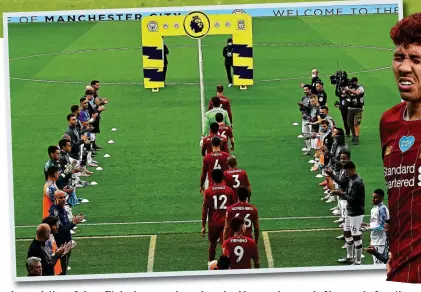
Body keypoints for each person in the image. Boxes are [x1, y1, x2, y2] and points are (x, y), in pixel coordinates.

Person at [379, 12, 421, 283]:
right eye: (399, 57)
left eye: (416, 59)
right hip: (400, 273)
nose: (404, 68)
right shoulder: (389, 122)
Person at [332, 161, 365, 265]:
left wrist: (340, 193)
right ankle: (349, 257)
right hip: (349, 211)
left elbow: (353, 199)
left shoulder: (357, 182)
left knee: (356, 235)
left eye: (347, 172)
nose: (346, 174)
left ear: (353, 170)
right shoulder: (351, 180)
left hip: (356, 212)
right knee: (346, 232)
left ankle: (358, 261)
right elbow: (350, 194)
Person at [201, 169, 237, 263]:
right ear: (222, 178)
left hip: (213, 222)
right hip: (226, 223)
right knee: (225, 245)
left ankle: (210, 264)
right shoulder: (229, 191)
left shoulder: (208, 191)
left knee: (212, 244)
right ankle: (226, 265)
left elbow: (205, 209)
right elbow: (233, 208)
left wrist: (203, 226)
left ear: (212, 178)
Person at [49, 191, 85, 274]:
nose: (63, 199)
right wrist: (73, 223)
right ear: (55, 199)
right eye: (60, 198)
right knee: (62, 270)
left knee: (64, 269)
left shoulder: (62, 208)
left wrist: (73, 221)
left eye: (64, 197)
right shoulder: (55, 212)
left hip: (66, 242)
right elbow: (61, 231)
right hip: (61, 244)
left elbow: (66, 226)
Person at [361, 189, 390, 265]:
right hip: (375, 240)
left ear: (381, 198)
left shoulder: (382, 209)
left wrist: (367, 228)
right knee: (376, 263)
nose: (373, 199)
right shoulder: (374, 208)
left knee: (379, 265)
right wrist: (365, 224)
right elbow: (374, 224)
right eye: (373, 197)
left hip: (380, 242)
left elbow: (382, 227)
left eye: (375, 197)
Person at [345, 77, 365, 145]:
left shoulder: (360, 88)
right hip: (350, 108)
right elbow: (342, 93)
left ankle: (357, 138)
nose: (351, 83)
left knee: (356, 124)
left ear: (356, 81)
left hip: (358, 108)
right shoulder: (349, 87)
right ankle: (353, 135)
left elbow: (357, 93)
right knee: (350, 123)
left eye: (353, 82)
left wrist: (348, 89)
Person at [298, 84, 312, 154]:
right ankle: (309, 149)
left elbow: (311, 109)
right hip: (304, 118)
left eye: (306, 90)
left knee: (313, 135)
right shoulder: (304, 98)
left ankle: (317, 150)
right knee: (306, 135)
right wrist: (301, 106)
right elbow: (302, 109)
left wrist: (303, 105)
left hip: (311, 119)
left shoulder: (312, 98)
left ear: (310, 90)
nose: (305, 91)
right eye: (304, 90)